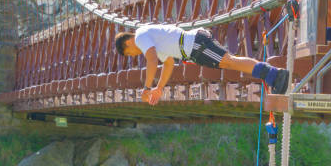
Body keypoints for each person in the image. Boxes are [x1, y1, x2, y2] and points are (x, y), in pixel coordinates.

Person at [115, 25, 290, 105]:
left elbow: (151, 60)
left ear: (128, 43)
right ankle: (273, 76)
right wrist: (159, 88)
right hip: (194, 49)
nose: (135, 55)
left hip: (196, 44)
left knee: (229, 61)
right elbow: (168, 64)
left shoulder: (140, 36)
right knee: (230, 63)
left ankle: (274, 75)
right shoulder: (152, 41)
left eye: (130, 53)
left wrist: (146, 87)